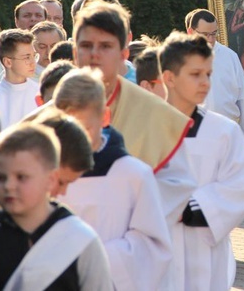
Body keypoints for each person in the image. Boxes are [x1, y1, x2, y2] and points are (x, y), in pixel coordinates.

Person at [72, 1, 195, 227]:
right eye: (86, 45)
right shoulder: (44, 120)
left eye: (106, 46)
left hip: (132, 245)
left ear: (123, 54)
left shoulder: (159, 117)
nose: (95, 55)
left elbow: (176, 187)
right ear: (74, 51)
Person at [0, 122, 112, 291]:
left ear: (51, 179)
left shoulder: (82, 240)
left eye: (21, 177)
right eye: (0, 177)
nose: (9, 186)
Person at [53, 68, 173, 290]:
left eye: (84, 128)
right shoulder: (43, 174)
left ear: (105, 117)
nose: (74, 138)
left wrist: (86, 260)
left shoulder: (133, 174)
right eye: (66, 128)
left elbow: (152, 246)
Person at [159, 32, 244, 290]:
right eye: (195, 74)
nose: (205, 82)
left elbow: (239, 184)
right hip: (158, 248)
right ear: (169, 77)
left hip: (205, 247)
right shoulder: (145, 128)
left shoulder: (224, 132)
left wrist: (192, 208)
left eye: (208, 74)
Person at [186, 8, 244, 147]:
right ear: (191, 31)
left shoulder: (229, 56)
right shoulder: (180, 59)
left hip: (230, 133)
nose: (211, 40)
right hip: (197, 134)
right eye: (205, 35)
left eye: (214, 33)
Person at [0, 0, 46, 92]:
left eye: (38, 15)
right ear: (17, 21)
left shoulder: (54, 49)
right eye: (27, 15)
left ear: (45, 20)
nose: (33, 19)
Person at [0, 29, 40, 129]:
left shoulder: (40, 93)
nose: (33, 62)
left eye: (34, 56)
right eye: (27, 57)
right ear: (8, 62)